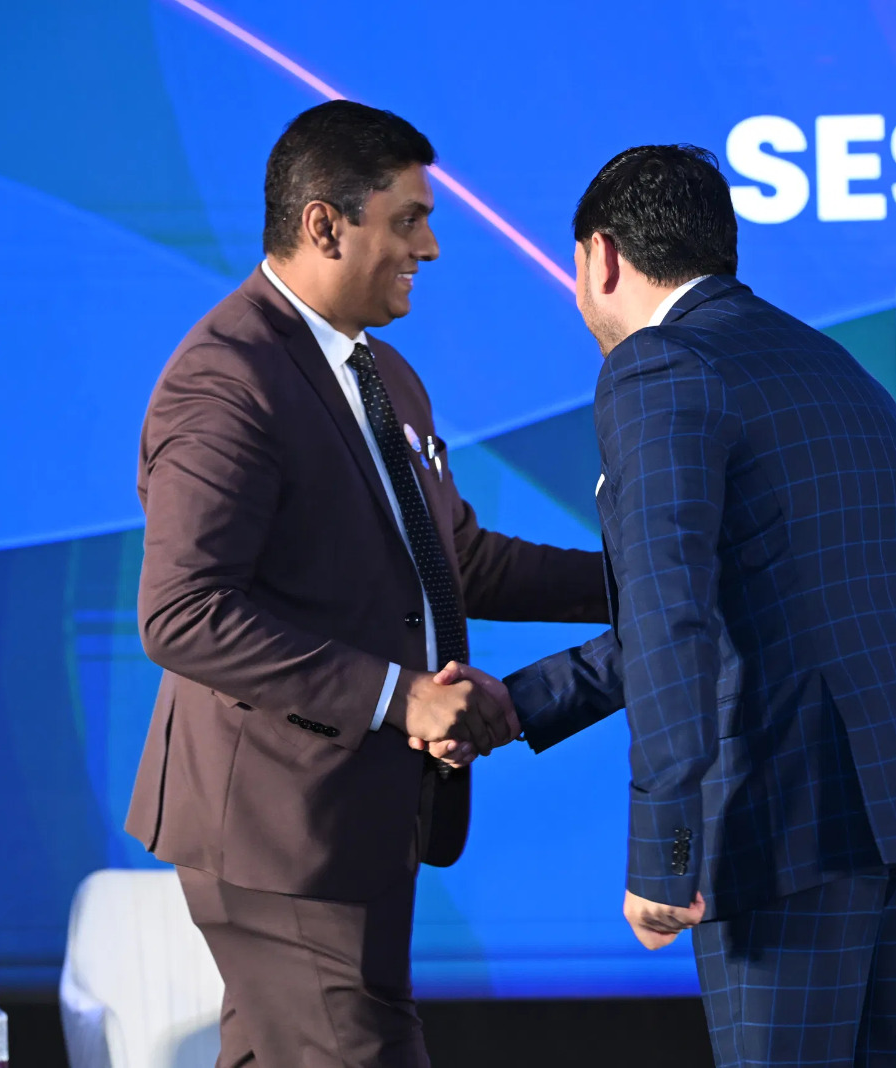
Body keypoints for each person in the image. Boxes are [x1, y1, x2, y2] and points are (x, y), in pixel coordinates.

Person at [468, 145, 896, 1066]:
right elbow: (744, 602)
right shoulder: (827, 360)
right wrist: (525, 703)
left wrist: (664, 852)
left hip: (793, 818)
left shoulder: (657, 366)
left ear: (601, 257)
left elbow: (671, 615)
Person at [124, 100, 608, 1068]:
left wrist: (640, 580)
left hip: (355, 819)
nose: (430, 247)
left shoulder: (383, 372)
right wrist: (399, 696)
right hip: (280, 826)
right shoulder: (228, 379)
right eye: (409, 219)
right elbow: (182, 612)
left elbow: (457, 561)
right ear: (324, 225)